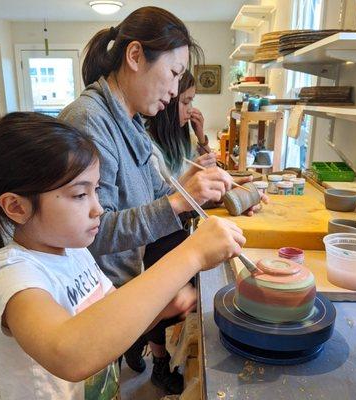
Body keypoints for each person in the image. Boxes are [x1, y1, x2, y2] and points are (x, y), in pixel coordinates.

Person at [0, 112, 245, 400]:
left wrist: (160, 308)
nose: (97, 208)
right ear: (16, 207)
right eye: (79, 195)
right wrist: (192, 253)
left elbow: (110, 321)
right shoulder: (12, 274)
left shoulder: (76, 253)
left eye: (96, 191)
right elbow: (70, 354)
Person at [59, 6, 236, 393]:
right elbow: (89, 231)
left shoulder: (132, 122)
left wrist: (190, 185)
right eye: (172, 74)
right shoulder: (89, 121)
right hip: (93, 302)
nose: (175, 92)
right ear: (135, 56)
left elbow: (151, 195)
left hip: (121, 286)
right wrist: (177, 205)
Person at [147, 70, 216, 184]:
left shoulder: (184, 138)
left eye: (191, 101)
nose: (190, 109)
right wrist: (192, 173)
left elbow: (212, 171)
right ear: (168, 102)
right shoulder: (149, 147)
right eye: (185, 102)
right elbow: (162, 198)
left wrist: (201, 138)